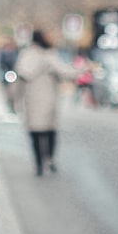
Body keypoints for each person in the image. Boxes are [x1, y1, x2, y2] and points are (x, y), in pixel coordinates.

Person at [14, 29, 76, 176]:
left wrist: (16, 99)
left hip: (31, 99)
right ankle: (49, 158)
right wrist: (83, 69)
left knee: (35, 132)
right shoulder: (49, 55)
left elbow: (20, 79)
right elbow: (65, 72)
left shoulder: (26, 55)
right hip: (49, 98)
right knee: (49, 131)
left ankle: (39, 163)